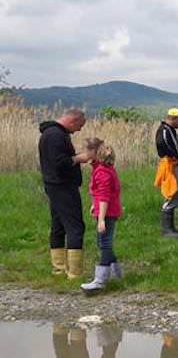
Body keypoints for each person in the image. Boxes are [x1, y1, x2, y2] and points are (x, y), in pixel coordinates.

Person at [39, 108, 93, 280]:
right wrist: (80, 158)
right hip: (62, 186)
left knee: (58, 226)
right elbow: (59, 163)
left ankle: (59, 269)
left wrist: (75, 157)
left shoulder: (52, 133)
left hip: (54, 185)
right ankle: (75, 274)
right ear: (73, 121)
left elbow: (59, 159)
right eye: (80, 125)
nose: (79, 130)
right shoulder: (55, 136)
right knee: (75, 227)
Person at [81, 139, 123, 292]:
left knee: (105, 243)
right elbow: (101, 194)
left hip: (107, 213)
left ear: (95, 153)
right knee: (103, 243)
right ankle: (117, 273)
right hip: (107, 210)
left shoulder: (102, 173)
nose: (85, 154)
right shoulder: (106, 169)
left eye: (87, 151)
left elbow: (105, 196)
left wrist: (101, 219)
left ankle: (100, 280)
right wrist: (95, 204)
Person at [154, 107, 178, 237]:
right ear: (173, 118)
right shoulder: (165, 130)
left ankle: (171, 228)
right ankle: (167, 230)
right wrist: (175, 156)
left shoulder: (170, 130)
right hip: (169, 165)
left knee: (174, 193)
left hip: (172, 164)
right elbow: (164, 145)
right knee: (171, 192)